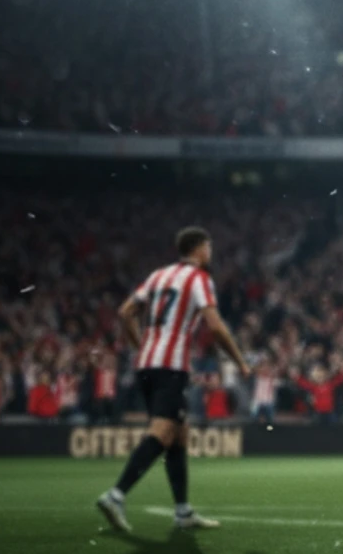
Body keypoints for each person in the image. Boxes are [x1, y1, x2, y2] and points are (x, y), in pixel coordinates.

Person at [96, 226, 247, 533]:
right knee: (164, 431)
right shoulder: (199, 279)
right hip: (170, 366)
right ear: (201, 249)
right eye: (209, 247)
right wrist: (240, 361)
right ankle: (116, 494)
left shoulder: (158, 276)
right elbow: (215, 327)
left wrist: (142, 346)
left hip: (147, 364)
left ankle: (182, 511)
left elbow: (125, 312)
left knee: (178, 435)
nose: (211, 254)